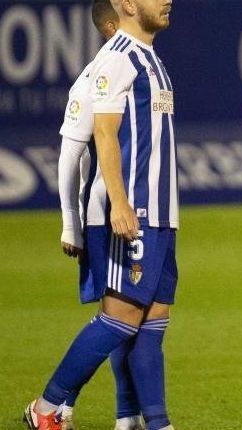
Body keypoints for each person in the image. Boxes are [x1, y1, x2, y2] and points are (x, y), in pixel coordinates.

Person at [24, 0, 178, 429]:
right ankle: (47, 407)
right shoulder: (116, 59)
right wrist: (119, 202)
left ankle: (151, 422)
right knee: (121, 315)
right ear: (128, 5)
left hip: (163, 211)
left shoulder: (152, 61)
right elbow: (103, 134)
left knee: (152, 320)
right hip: (134, 209)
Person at [56, 1, 144, 429]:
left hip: (123, 210)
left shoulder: (136, 69)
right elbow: (68, 157)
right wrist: (70, 222)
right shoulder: (92, 78)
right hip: (104, 214)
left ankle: (126, 415)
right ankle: (57, 404)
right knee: (118, 315)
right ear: (114, 24)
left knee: (128, 315)